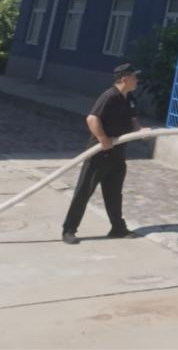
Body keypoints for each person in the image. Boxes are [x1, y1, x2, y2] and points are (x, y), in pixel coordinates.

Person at [61, 63, 148, 244]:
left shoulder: (130, 98)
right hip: (99, 154)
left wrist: (140, 131)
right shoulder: (109, 96)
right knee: (84, 192)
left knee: (114, 193)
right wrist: (103, 139)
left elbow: (133, 119)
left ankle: (117, 228)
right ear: (124, 78)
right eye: (134, 76)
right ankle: (69, 230)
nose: (137, 80)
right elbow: (92, 118)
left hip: (118, 153)